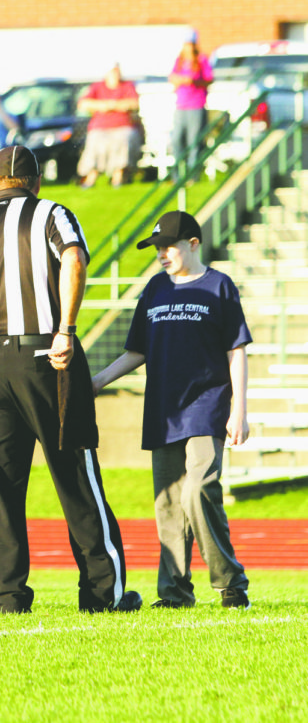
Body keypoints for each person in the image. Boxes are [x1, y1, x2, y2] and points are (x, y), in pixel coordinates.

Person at [0, 145, 141, 614]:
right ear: (36, 182)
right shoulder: (51, 213)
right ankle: (102, 593)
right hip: (48, 355)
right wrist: (66, 328)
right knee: (76, 475)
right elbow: (73, 259)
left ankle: (5, 596)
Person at [93, 211, 251, 610]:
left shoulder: (219, 285)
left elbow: (236, 350)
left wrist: (239, 410)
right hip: (163, 411)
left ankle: (231, 583)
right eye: (157, 249)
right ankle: (175, 593)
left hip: (206, 407)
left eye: (169, 247)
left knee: (198, 491)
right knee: (167, 504)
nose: (162, 254)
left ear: (193, 244)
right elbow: (137, 351)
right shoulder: (155, 289)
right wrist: (97, 382)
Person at [76, 64, 142, 188]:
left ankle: (118, 177)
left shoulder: (127, 86)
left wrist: (114, 105)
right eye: (112, 72)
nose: (115, 75)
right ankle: (91, 177)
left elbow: (134, 103)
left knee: (123, 139)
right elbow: (83, 103)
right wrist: (103, 105)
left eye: (117, 72)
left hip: (123, 126)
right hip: (99, 127)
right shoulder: (97, 87)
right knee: (95, 142)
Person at [169, 29, 213, 178]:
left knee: (194, 141)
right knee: (177, 140)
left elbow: (209, 79)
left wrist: (193, 81)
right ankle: (177, 175)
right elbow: (172, 77)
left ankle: (193, 175)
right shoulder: (179, 61)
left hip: (196, 105)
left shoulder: (201, 60)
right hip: (181, 106)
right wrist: (179, 80)